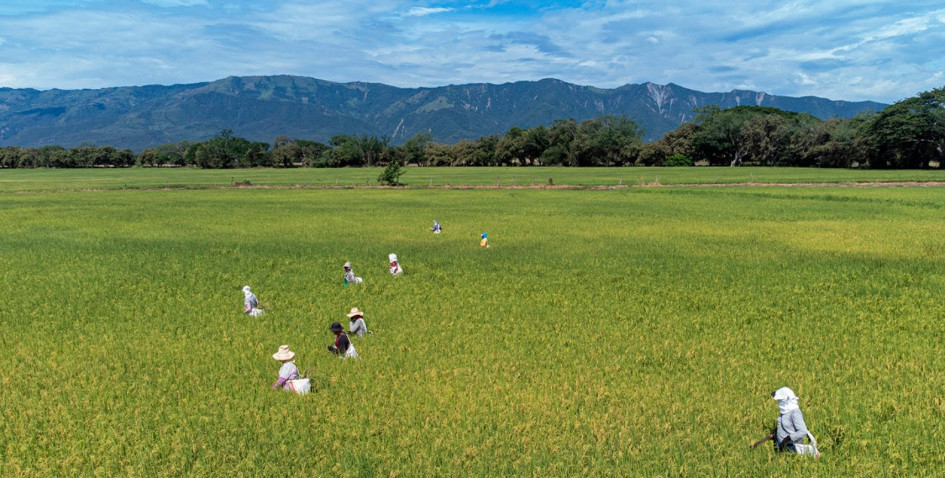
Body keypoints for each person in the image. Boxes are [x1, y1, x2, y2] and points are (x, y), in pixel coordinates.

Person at [770, 387, 820, 457]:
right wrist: (775, 432)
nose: (778, 402)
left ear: (785, 400)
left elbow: (803, 431)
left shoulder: (795, 413)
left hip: (792, 446)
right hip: (782, 446)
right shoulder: (785, 411)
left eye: (780, 400)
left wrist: (787, 439)